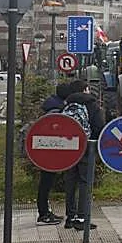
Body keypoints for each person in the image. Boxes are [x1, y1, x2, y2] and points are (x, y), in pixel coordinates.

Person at [62, 80, 105, 231]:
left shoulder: (66, 105)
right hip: (87, 148)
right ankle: (82, 218)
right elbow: (100, 126)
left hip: (68, 149)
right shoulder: (93, 105)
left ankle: (70, 217)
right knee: (85, 183)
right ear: (85, 89)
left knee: (70, 182)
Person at [35, 81, 72, 225]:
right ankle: (44, 213)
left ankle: (45, 212)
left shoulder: (51, 105)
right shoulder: (57, 110)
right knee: (46, 182)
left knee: (46, 182)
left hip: (45, 151)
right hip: (49, 152)